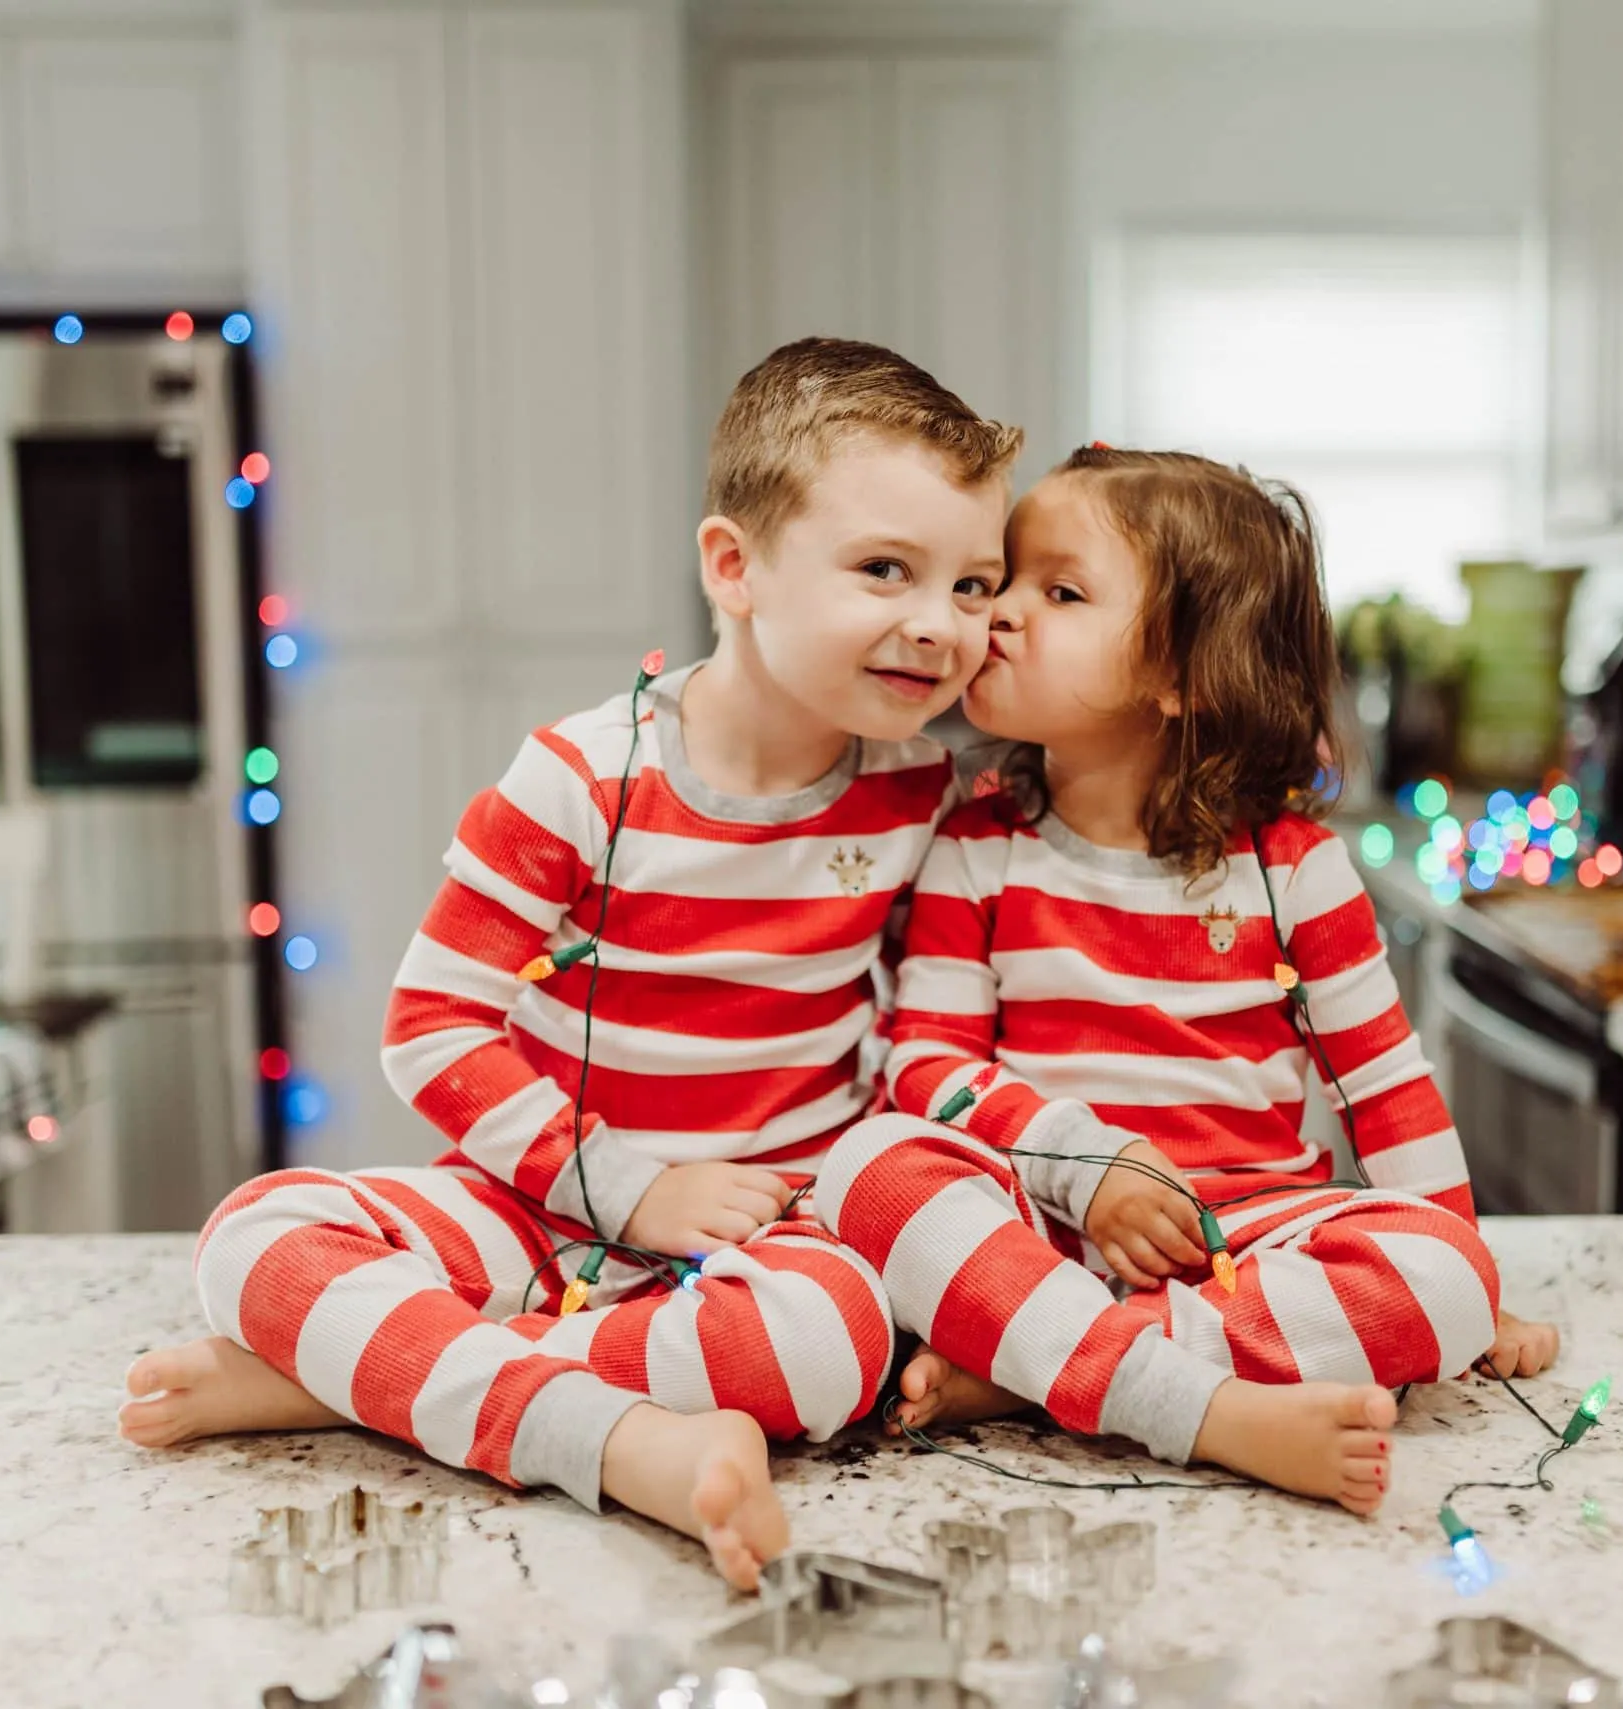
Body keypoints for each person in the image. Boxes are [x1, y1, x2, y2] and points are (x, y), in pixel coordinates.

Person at [120, 338, 1021, 1589]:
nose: (941, 625)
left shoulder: (924, 788)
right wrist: (630, 1189)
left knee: (832, 1345)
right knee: (257, 1232)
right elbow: (432, 1028)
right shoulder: (582, 775)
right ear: (734, 566)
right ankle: (626, 1438)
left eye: (976, 585)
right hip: (545, 1203)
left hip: (770, 1223)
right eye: (886, 570)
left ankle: (351, 1379)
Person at [816, 445, 1559, 1517]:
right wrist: (1090, 1163)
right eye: (1005, 582)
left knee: (1438, 1271)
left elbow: (1385, 1088)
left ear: (1181, 677)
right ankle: (1189, 1400)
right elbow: (928, 1065)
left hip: (1242, 1232)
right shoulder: (977, 844)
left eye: (1059, 590)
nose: (1001, 613)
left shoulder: (1291, 866)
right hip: (1045, 1225)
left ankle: (1037, 1365)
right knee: (871, 1161)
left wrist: (1473, 1288)